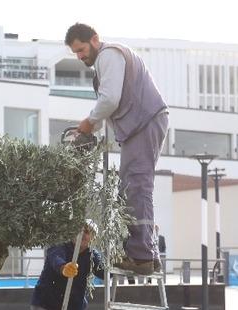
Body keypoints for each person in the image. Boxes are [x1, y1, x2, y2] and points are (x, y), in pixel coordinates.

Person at [65, 23, 169, 276]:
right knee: (130, 187)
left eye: (81, 49)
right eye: (75, 53)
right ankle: (147, 253)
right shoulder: (106, 62)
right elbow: (109, 104)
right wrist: (90, 127)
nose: (80, 56)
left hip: (144, 123)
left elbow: (109, 99)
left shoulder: (109, 55)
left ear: (94, 39)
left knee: (136, 185)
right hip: (140, 126)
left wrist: (88, 123)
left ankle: (142, 255)